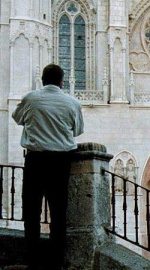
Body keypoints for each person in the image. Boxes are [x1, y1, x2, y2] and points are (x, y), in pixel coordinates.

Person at [12, 64, 84, 270]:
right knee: (59, 213)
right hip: (61, 162)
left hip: (35, 160)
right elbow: (77, 130)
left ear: (42, 79)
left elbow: (17, 118)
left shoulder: (31, 98)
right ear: (62, 82)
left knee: (31, 213)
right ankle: (56, 262)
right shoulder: (72, 103)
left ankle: (32, 261)